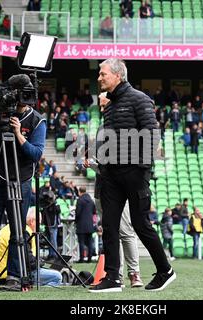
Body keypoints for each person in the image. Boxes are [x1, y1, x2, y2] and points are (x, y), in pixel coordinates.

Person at [88, 59, 175, 293]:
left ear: (117, 75)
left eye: (103, 74)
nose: (99, 78)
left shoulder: (139, 98)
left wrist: (142, 168)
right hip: (112, 175)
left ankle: (165, 271)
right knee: (109, 225)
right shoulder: (110, 105)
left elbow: (152, 134)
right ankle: (113, 278)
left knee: (140, 223)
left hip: (134, 172)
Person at [0, 74, 46, 290]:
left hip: (20, 179)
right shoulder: (1, 114)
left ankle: (14, 276)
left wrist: (18, 134)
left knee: (17, 230)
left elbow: (35, 154)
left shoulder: (37, 120)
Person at [94, 93, 145, 289]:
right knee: (111, 232)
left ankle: (134, 274)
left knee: (124, 231)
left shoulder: (122, 128)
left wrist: (95, 165)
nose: (101, 108)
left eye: (103, 104)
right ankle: (116, 275)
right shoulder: (101, 129)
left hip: (118, 189)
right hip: (102, 188)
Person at [0, 209, 62, 288]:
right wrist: (39, 263)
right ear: (32, 221)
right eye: (39, 223)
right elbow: (28, 260)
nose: (39, 227)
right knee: (57, 277)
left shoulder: (7, 228)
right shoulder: (26, 231)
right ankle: (36, 288)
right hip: (15, 275)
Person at [75, 186, 96, 263]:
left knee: (81, 242)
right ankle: (89, 259)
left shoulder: (80, 200)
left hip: (81, 224)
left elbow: (78, 213)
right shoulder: (91, 200)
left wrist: (76, 221)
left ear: (79, 192)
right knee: (90, 242)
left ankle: (81, 259)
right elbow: (94, 211)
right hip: (89, 225)